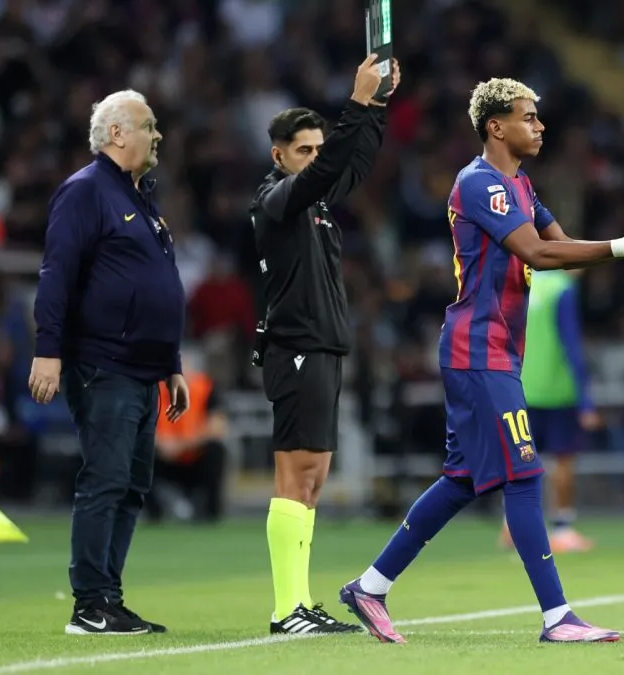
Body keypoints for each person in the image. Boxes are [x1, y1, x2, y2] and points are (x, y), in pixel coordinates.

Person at [339, 77, 624, 644]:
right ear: (495, 126)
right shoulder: (481, 183)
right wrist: (619, 249)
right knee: (526, 472)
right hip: (477, 347)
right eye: (528, 117)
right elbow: (536, 252)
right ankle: (557, 617)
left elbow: (563, 248)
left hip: (496, 350)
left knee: (462, 479)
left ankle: (371, 585)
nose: (539, 125)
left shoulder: (521, 185)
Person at [31, 89, 188, 635]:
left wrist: (172, 364)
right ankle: (89, 603)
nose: (157, 135)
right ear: (117, 133)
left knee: (130, 485)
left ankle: (108, 598)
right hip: (104, 363)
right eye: (148, 126)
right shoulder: (85, 192)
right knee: (106, 479)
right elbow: (57, 274)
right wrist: (47, 351)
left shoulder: (138, 197)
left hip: (144, 370)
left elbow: (157, 286)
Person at [250, 54, 396, 635]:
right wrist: (356, 103)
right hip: (297, 346)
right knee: (297, 473)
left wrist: (376, 107)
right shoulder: (276, 200)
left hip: (322, 346)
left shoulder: (313, 206)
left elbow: (350, 166)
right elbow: (325, 173)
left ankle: (298, 602)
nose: (314, 159)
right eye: (303, 150)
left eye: (317, 147)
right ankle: (287, 609)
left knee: (313, 477)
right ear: (279, 155)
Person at [515, 269, 600, 553]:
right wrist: (586, 400)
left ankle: (512, 526)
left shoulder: (524, 280)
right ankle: (562, 528)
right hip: (556, 389)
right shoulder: (562, 288)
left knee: (521, 462)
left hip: (520, 386)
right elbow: (571, 344)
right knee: (563, 461)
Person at [145, 356, 229, 523]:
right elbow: (140, 424)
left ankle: (211, 513)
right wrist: (162, 443)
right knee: (140, 453)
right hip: (163, 455)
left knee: (216, 450)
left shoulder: (206, 388)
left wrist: (183, 445)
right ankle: (154, 514)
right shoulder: (153, 390)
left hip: (195, 455)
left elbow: (218, 426)